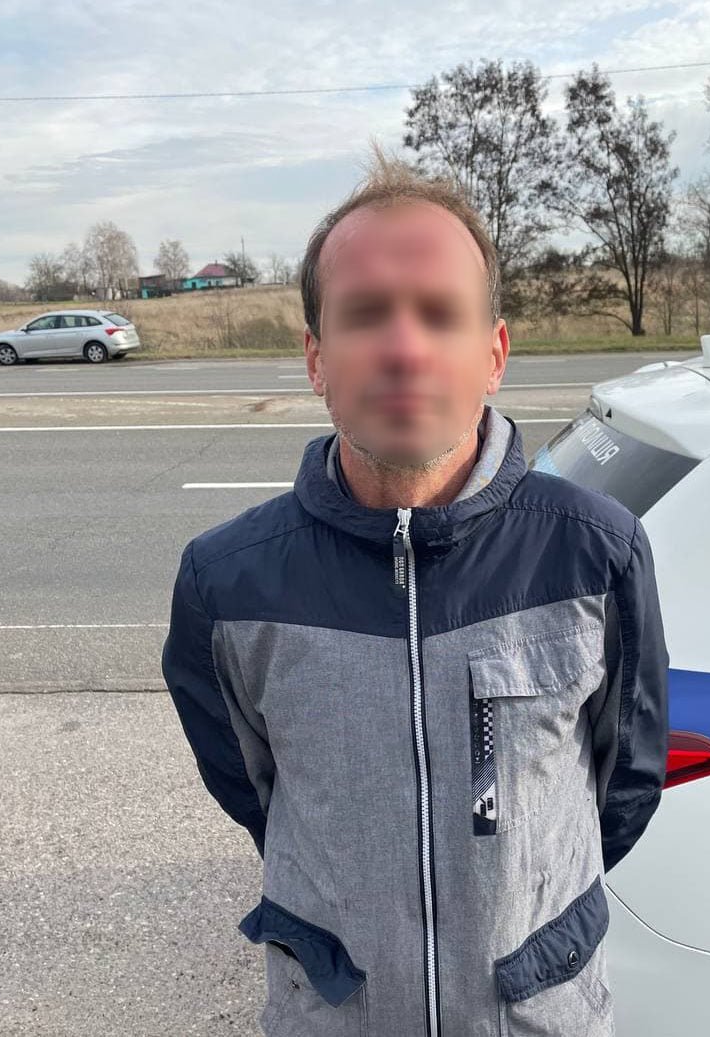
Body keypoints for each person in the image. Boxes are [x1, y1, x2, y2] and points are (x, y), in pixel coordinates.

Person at [160, 143, 670, 1037]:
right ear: (317, 359)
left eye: (439, 314)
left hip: (538, 1015)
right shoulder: (226, 581)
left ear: (494, 353)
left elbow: (622, 786)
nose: (404, 347)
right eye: (366, 315)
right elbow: (256, 790)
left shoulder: (596, 553)